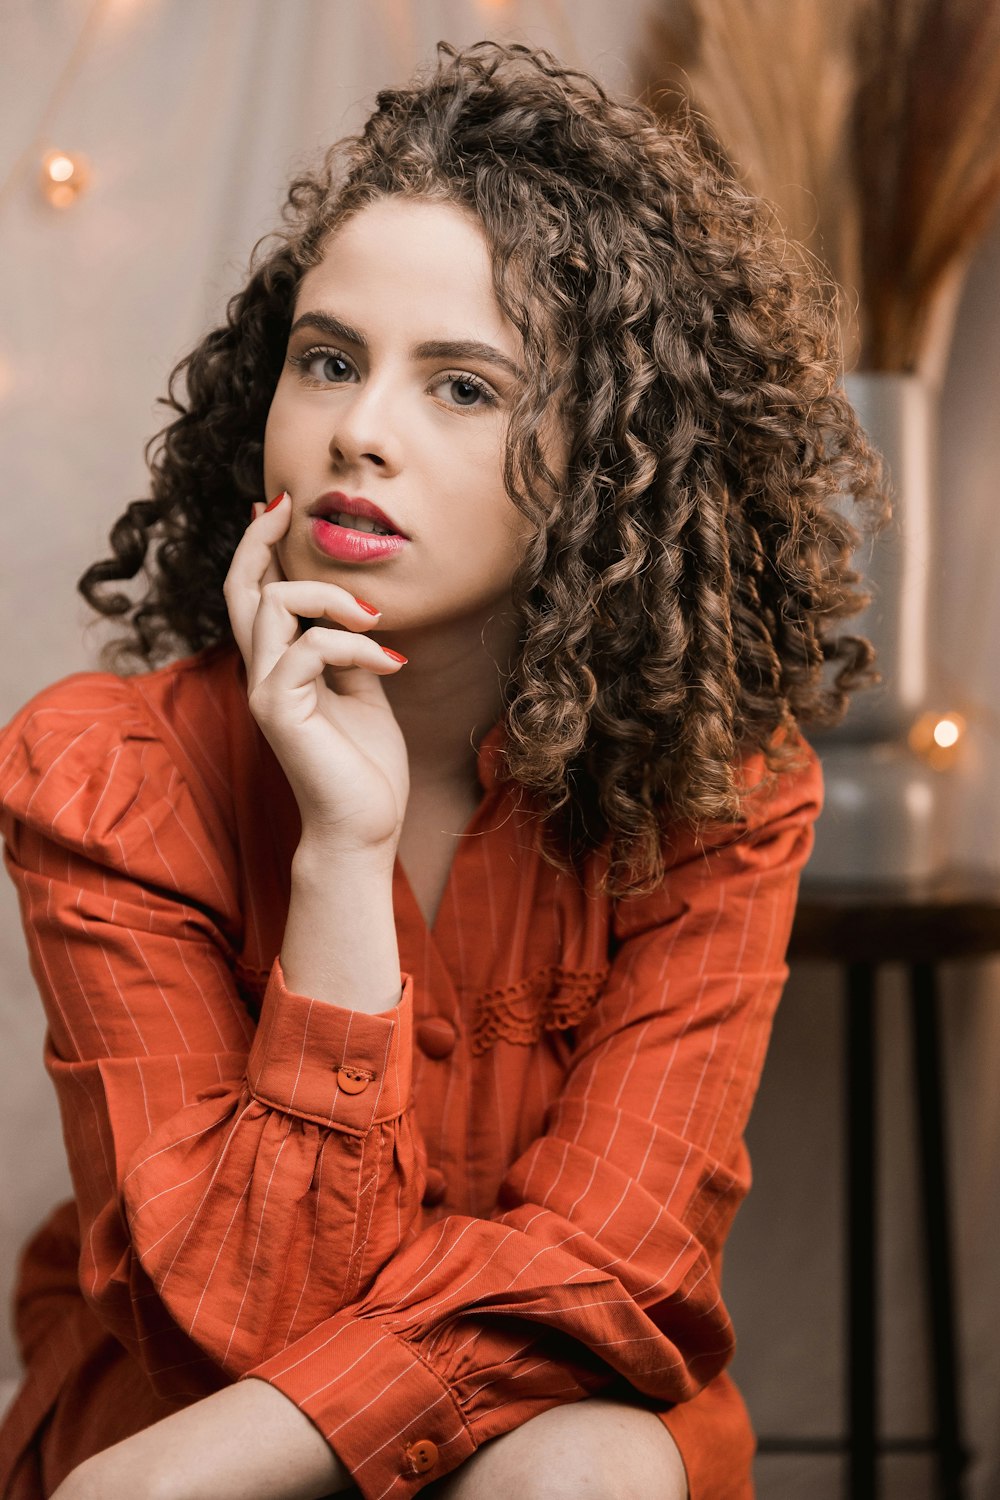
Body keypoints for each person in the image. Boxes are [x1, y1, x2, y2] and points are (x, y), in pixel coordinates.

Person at [0, 37, 886, 1500]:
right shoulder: (106, 778)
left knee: (581, 1469)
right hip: (187, 1404)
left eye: (464, 389)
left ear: (609, 460)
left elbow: (611, 1258)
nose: (360, 430)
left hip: (477, 1425)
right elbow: (247, 1330)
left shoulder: (720, 790)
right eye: (330, 359)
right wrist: (341, 852)